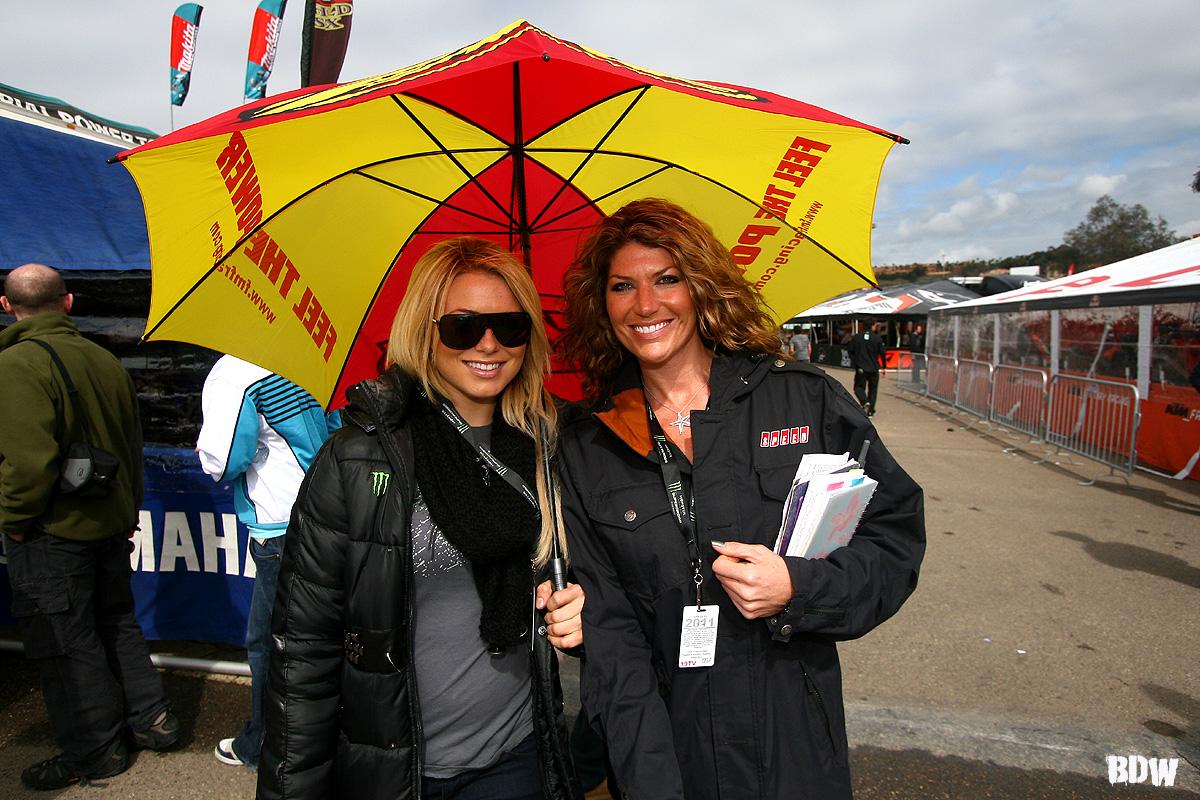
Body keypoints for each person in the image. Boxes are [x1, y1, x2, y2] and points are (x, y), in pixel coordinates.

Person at [556, 199, 925, 800]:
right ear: (605, 306)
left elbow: (895, 537)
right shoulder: (588, 444)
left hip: (794, 742)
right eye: (623, 286)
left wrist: (799, 589)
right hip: (666, 745)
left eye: (667, 279)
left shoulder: (803, 401)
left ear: (702, 287)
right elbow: (614, 637)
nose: (645, 304)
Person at [257, 238, 585, 800]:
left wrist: (582, 607)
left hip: (516, 756)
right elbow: (304, 654)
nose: (489, 344)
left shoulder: (550, 446)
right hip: (393, 770)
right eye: (463, 326)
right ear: (423, 330)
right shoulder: (358, 458)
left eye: (510, 326)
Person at [0, 264, 179, 791]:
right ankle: (151, 719)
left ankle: (94, 753)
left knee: (66, 643)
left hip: (53, 532)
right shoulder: (104, 359)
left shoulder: (16, 365)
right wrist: (127, 512)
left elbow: (28, 465)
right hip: (108, 523)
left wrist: (13, 524)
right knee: (116, 621)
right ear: (69, 302)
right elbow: (130, 449)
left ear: (8, 306)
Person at [195, 355, 339, 770]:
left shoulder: (234, 373)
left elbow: (221, 461)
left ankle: (264, 744)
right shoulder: (315, 353)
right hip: (331, 512)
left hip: (281, 528)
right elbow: (338, 430)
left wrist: (207, 450)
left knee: (271, 644)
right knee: (325, 637)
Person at [848, 319, 887, 415]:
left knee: (858, 387)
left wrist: (856, 362)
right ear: (872, 326)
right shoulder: (877, 338)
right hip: (873, 367)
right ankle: (870, 410)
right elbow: (882, 353)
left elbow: (850, 350)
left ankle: (865, 402)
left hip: (861, 367)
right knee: (873, 389)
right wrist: (884, 367)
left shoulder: (856, 337)